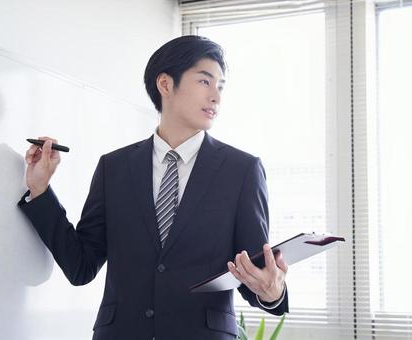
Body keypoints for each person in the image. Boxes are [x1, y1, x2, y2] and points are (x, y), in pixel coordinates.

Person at [18, 35, 288, 340]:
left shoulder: (242, 170)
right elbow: (81, 266)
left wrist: (271, 290)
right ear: (166, 84)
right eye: (204, 81)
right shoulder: (114, 168)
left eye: (220, 86)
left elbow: (254, 273)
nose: (216, 97)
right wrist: (40, 189)